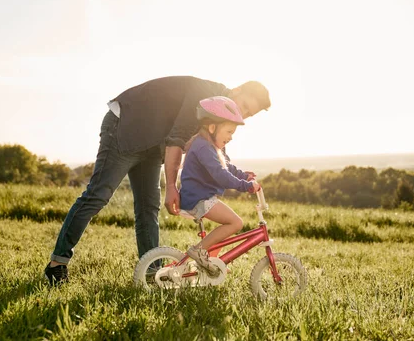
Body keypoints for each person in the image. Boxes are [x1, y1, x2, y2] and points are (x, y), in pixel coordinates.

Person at [44, 76, 270, 285]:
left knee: (148, 207)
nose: (242, 113)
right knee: (98, 195)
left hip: (152, 146)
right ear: (237, 89)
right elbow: (177, 138)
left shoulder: (219, 114)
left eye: (248, 114)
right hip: (126, 126)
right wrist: (172, 186)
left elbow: (216, 154)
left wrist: (240, 175)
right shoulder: (204, 94)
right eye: (245, 105)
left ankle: (152, 273)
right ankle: (57, 264)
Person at [179, 96, 260, 276]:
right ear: (213, 127)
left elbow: (227, 167)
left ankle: (209, 262)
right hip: (198, 198)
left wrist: (243, 175)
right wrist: (245, 186)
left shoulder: (209, 146)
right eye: (229, 131)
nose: (231, 137)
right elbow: (221, 175)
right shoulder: (203, 147)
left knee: (225, 229)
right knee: (235, 222)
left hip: (200, 197)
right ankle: (199, 251)